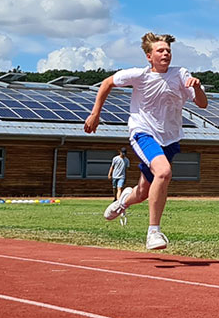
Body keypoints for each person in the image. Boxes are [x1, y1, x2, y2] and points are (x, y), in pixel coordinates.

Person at [85, 32, 209, 251]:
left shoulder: (180, 74)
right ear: (149, 56)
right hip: (143, 133)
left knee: (142, 192)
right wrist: (95, 114)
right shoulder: (138, 75)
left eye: (168, 50)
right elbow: (106, 83)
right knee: (163, 172)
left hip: (170, 139)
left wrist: (197, 87)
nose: (166, 54)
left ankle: (122, 202)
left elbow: (202, 104)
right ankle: (153, 232)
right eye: (160, 50)